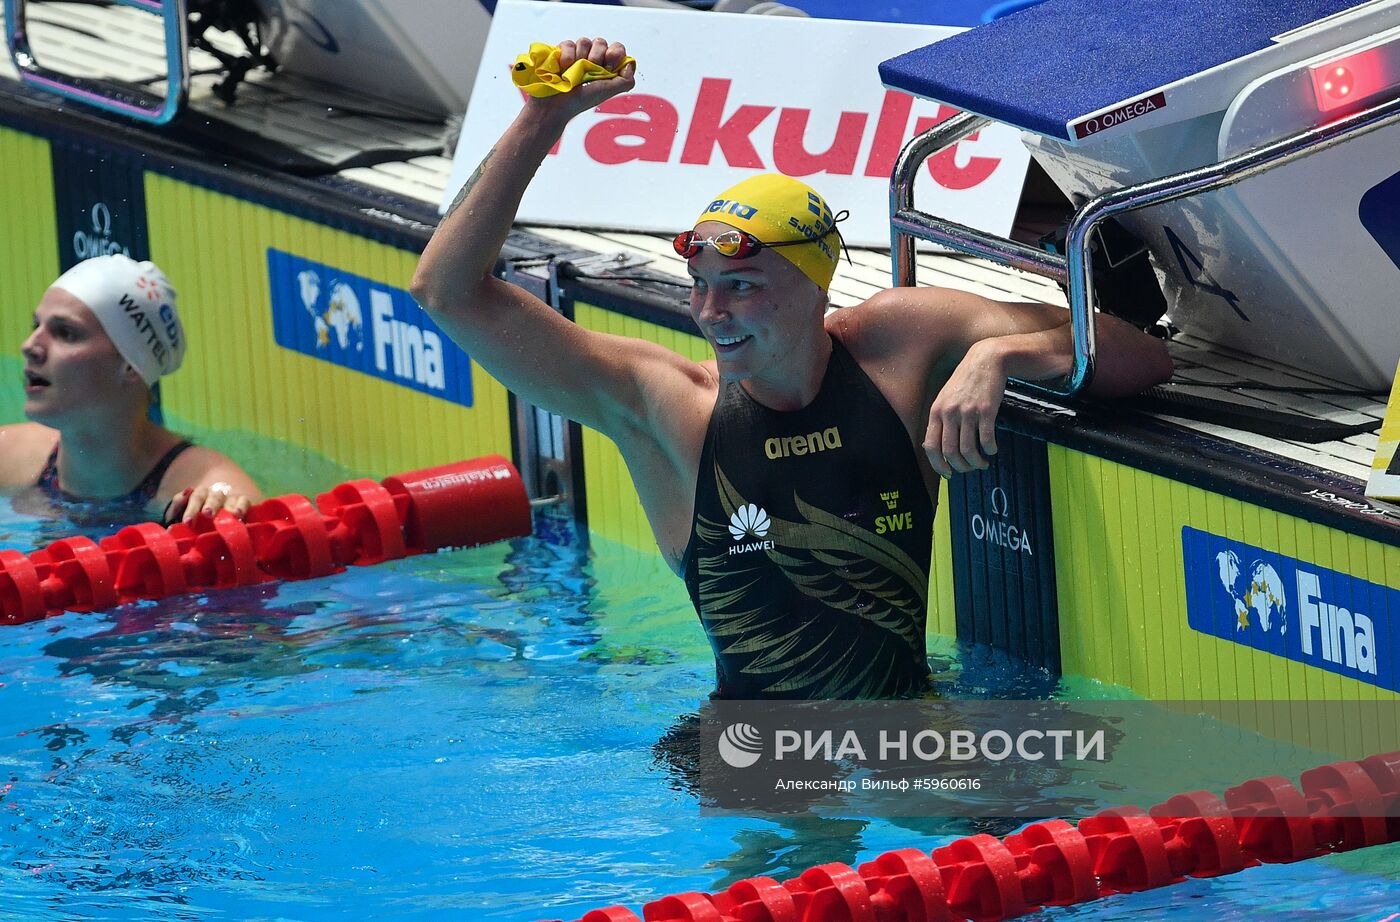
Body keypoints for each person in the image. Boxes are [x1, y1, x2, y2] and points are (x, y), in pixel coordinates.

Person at [411, 37, 1174, 699]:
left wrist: (999, 355)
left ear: (817, 287)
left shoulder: (900, 344)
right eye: (701, 286)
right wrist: (541, 120)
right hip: (758, 765)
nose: (712, 313)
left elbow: (1144, 358)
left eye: (742, 287)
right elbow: (445, 291)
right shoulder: (668, 405)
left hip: (904, 731)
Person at [0, 254, 260, 527]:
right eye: (36, 325)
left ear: (130, 365)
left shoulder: (207, 491)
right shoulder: (9, 456)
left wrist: (217, 526)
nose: (29, 346)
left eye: (66, 333)